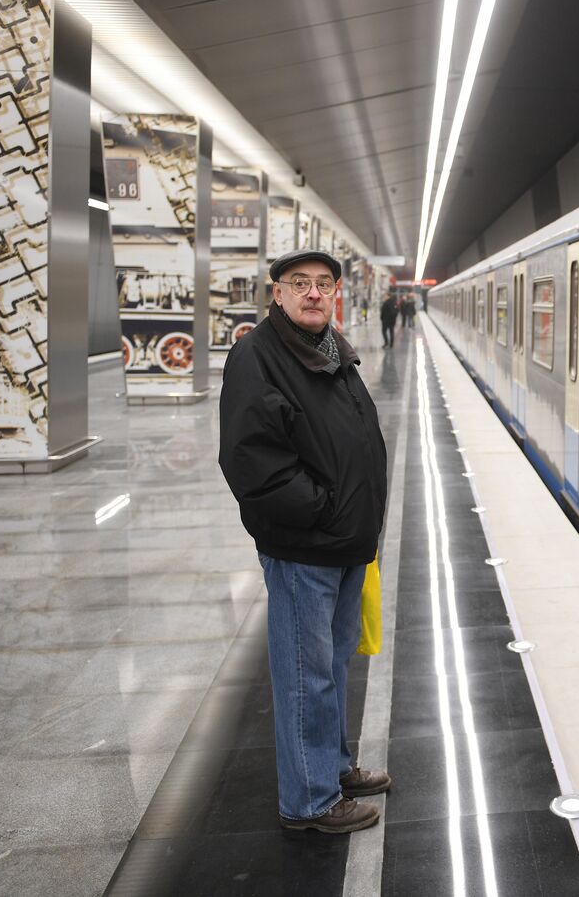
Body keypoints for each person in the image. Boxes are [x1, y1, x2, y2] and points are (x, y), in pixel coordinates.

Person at [218, 248, 392, 835]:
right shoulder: (256, 356)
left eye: (324, 284)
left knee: (334, 666)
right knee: (304, 675)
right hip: (304, 546)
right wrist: (320, 510)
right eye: (301, 284)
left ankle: (334, 768)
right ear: (277, 293)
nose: (314, 293)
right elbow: (251, 460)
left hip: (342, 541)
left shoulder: (331, 349)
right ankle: (310, 800)